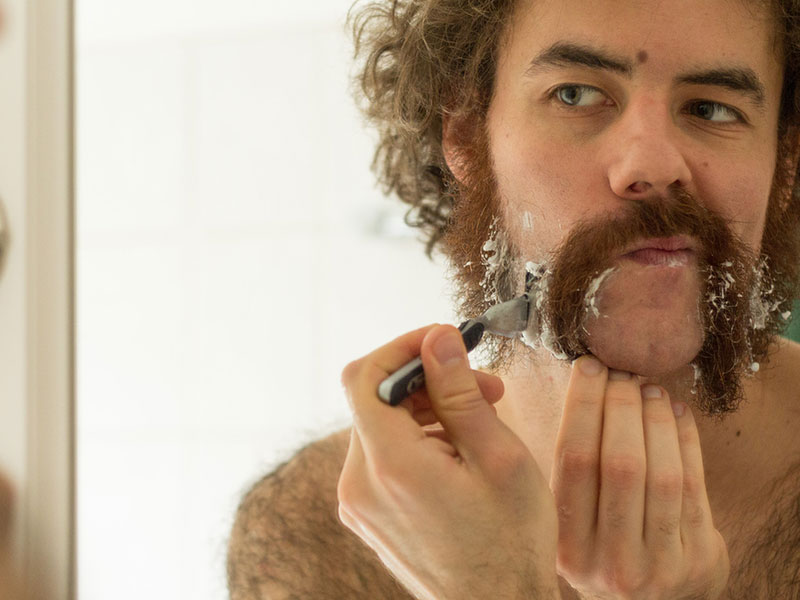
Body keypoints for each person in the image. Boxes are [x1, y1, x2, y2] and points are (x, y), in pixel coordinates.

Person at [227, 0, 800, 597]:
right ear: (466, 137)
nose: (651, 165)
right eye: (575, 95)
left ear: (784, 164)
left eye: (711, 109)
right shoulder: (310, 539)